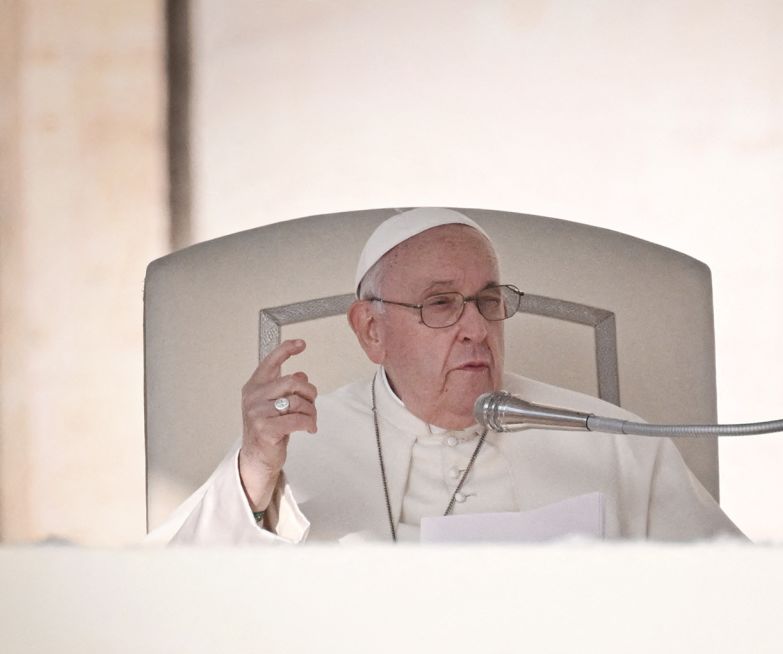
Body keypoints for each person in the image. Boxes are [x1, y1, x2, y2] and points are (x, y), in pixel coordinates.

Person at [151, 208, 743, 544]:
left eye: (487, 301)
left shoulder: (614, 442)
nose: (476, 329)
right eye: (440, 304)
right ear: (371, 330)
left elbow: (730, 596)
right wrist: (254, 472)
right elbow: (178, 601)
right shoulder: (293, 449)